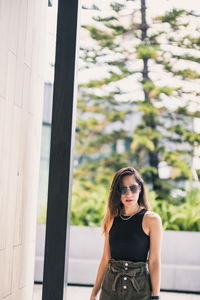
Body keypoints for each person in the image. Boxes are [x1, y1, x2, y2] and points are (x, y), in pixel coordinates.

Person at [89, 166, 163, 300]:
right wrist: (94, 293)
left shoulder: (152, 220)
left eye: (133, 188)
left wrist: (156, 296)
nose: (128, 194)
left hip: (139, 290)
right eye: (123, 189)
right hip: (110, 289)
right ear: (117, 193)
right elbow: (105, 260)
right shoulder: (111, 219)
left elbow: (154, 262)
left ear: (140, 188)